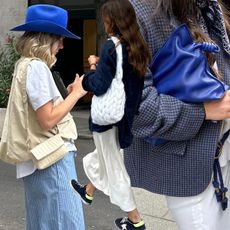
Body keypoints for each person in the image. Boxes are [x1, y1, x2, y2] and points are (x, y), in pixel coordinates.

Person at [125, 0, 230, 229]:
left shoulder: (211, 9)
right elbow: (135, 108)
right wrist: (203, 112)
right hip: (188, 166)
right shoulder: (136, 13)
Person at [0, 4, 87, 230]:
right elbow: (47, 119)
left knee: (42, 222)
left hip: (37, 161)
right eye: (59, 38)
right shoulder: (37, 68)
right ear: (47, 39)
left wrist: (64, 99)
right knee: (65, 223)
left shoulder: (23, 65)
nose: (62, 45)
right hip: (51, 159)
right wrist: (76, 94)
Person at [70, 0, 150, 229]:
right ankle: (88, 191)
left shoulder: (111, 47)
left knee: (113, 165)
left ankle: (135, 220)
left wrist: (87, 77)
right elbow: (128, 83)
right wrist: (100, 63)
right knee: (103, 156)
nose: (104, 23)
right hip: (124, 116)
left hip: (107, 117)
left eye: (106, 19)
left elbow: (102, 85)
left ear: (112, 20)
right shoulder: (137, 47)